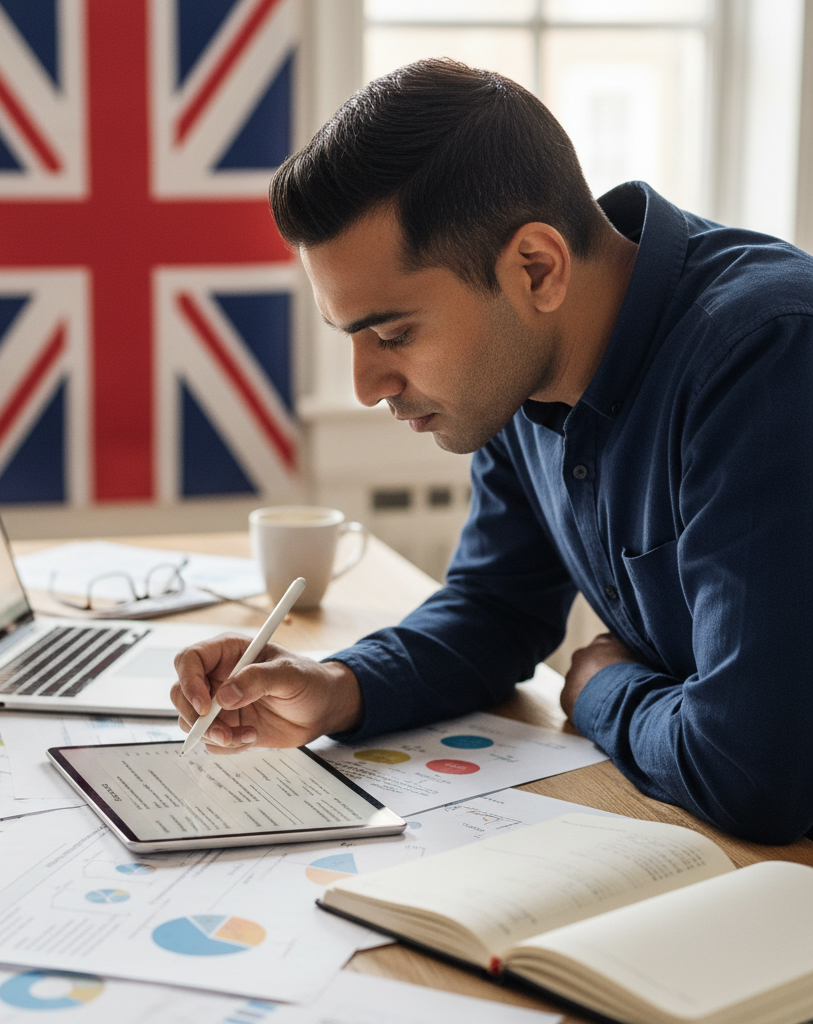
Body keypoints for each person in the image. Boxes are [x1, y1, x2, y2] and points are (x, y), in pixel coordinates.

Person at [170, 59, 813, 845]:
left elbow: (752, 772)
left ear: (535, 269)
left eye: (394, 333)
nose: (369, 385)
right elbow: (497, 608)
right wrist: (336, 688)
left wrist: (603, 687)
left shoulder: (768, 354)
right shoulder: (520, 369)